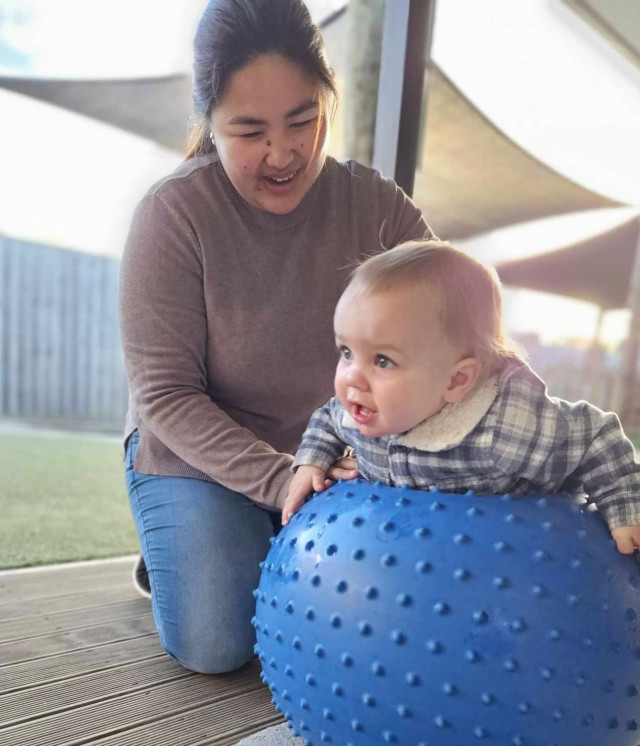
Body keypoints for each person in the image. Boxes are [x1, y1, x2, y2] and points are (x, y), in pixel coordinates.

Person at [118, 0, 433, 675]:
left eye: (303, 119)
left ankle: (250, 534)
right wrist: (284, 478)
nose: (284, 152)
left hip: (332, 459)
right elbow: (166, 398)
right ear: (209, 123)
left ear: (328, 100)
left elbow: (461, 319)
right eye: (250, 130)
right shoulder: (171, 216)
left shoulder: (373, 205)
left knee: (396, 615)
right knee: (218, 643)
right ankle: (174, 542)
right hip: (194, 455)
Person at [283, 240, 640, 583]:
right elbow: (329, 419)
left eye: (383, 360)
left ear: (456, 381)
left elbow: (593, 437)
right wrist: (312, 461)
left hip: (512, 567)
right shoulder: (362, 409)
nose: (353, 379)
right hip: (406, 564)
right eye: (346, 352)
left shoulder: (505, 431)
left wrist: (629, 511)